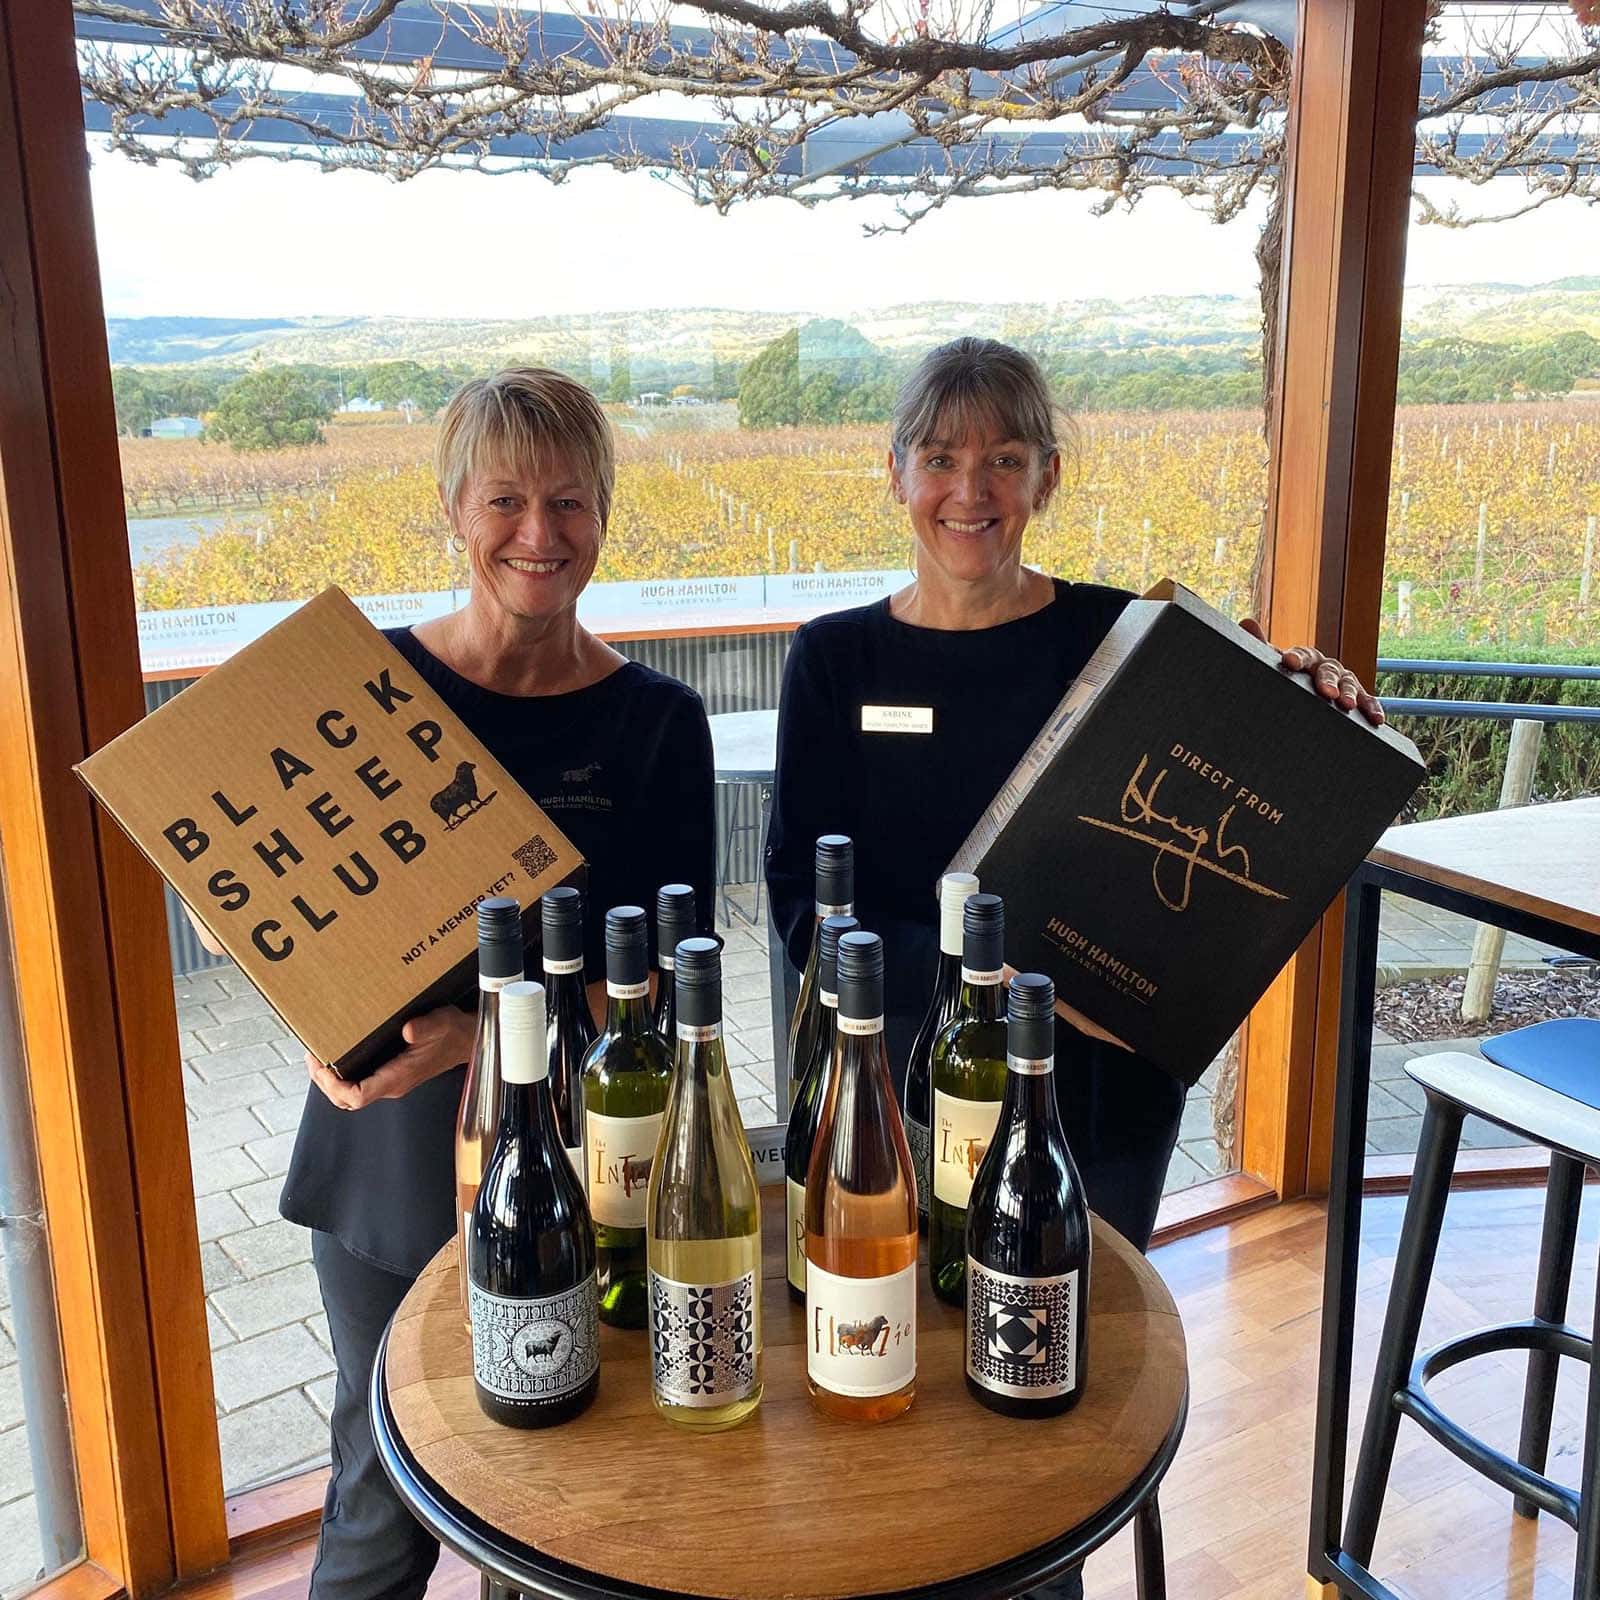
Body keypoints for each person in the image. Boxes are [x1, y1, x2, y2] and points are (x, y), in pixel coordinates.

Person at [204, 368, 716, 1599]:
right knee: (381, 1499)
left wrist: (484, 1030)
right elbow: (248, 895)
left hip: (592, 1170)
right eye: (503, 499)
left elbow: (658, 1002)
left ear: (604, 514)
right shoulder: (361, 686)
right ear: (452, 508)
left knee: (570, 1492)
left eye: (569, 501)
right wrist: (277, 963)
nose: (537, 535)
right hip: (387, 1155)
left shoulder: (659, 722)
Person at [766, 336, 1385, 1257]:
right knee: (916, 1336)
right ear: (896, 475)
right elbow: (799, 909)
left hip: (1098, 1072)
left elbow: (1238, 806)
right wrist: (969, 980)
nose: (970, 493)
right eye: (940, 460)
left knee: (1079, 1335)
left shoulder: (1122, 636)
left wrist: (1308, 704)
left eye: (1003, 463)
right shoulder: (834, 658)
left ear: (1045, 479)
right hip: (903, 1073)